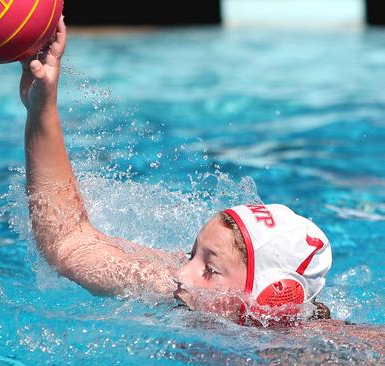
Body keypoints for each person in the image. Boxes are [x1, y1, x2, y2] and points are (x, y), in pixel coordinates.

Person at [19, 16, 333, 326]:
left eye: (210, 270)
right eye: (191, 254)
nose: (181, 276)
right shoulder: (177, 288)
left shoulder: (320, 353)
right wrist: (41, 106)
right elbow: (69, 243)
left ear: (269, 301)